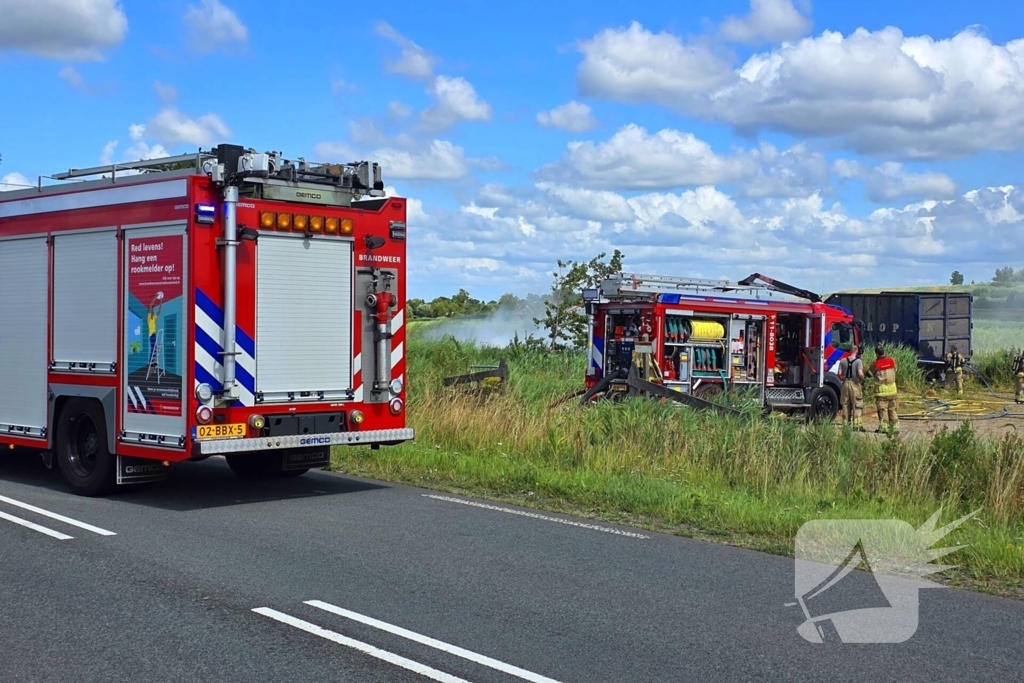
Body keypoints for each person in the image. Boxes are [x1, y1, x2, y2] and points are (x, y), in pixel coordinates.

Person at [869, 344, 899, 434]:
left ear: (877, 354)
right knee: (893, 410)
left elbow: (869, 374)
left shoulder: (875, 364)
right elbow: (895, 370)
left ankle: (884, 428)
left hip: (882, 393)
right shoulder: (892, 361)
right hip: (893, 391)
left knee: (883, 410)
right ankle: (895, 428)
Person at [838, 345, 865, 430]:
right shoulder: (858, 361)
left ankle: (846, 424)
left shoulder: (842, 361)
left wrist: (844, 378)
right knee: (857, 404)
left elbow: (839, 373)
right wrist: (862, 378)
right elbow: (860, 373)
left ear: (850, 351)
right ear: (856, 351)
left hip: (845, 384)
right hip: (855, 384)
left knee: (845, 404)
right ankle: (857, 425)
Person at [147, 292, 164, 366]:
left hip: (154, 334)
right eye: (151, 311)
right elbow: (150, 306)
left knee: (155, 349)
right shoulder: (149, 319)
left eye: (152, 311)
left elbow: (159, 311)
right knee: (153, 348)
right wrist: (155, 297)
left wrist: (160, 301)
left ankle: (153, 362)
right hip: (151, 335)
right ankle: (151, 362)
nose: (152, 311)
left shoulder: (153, 318)